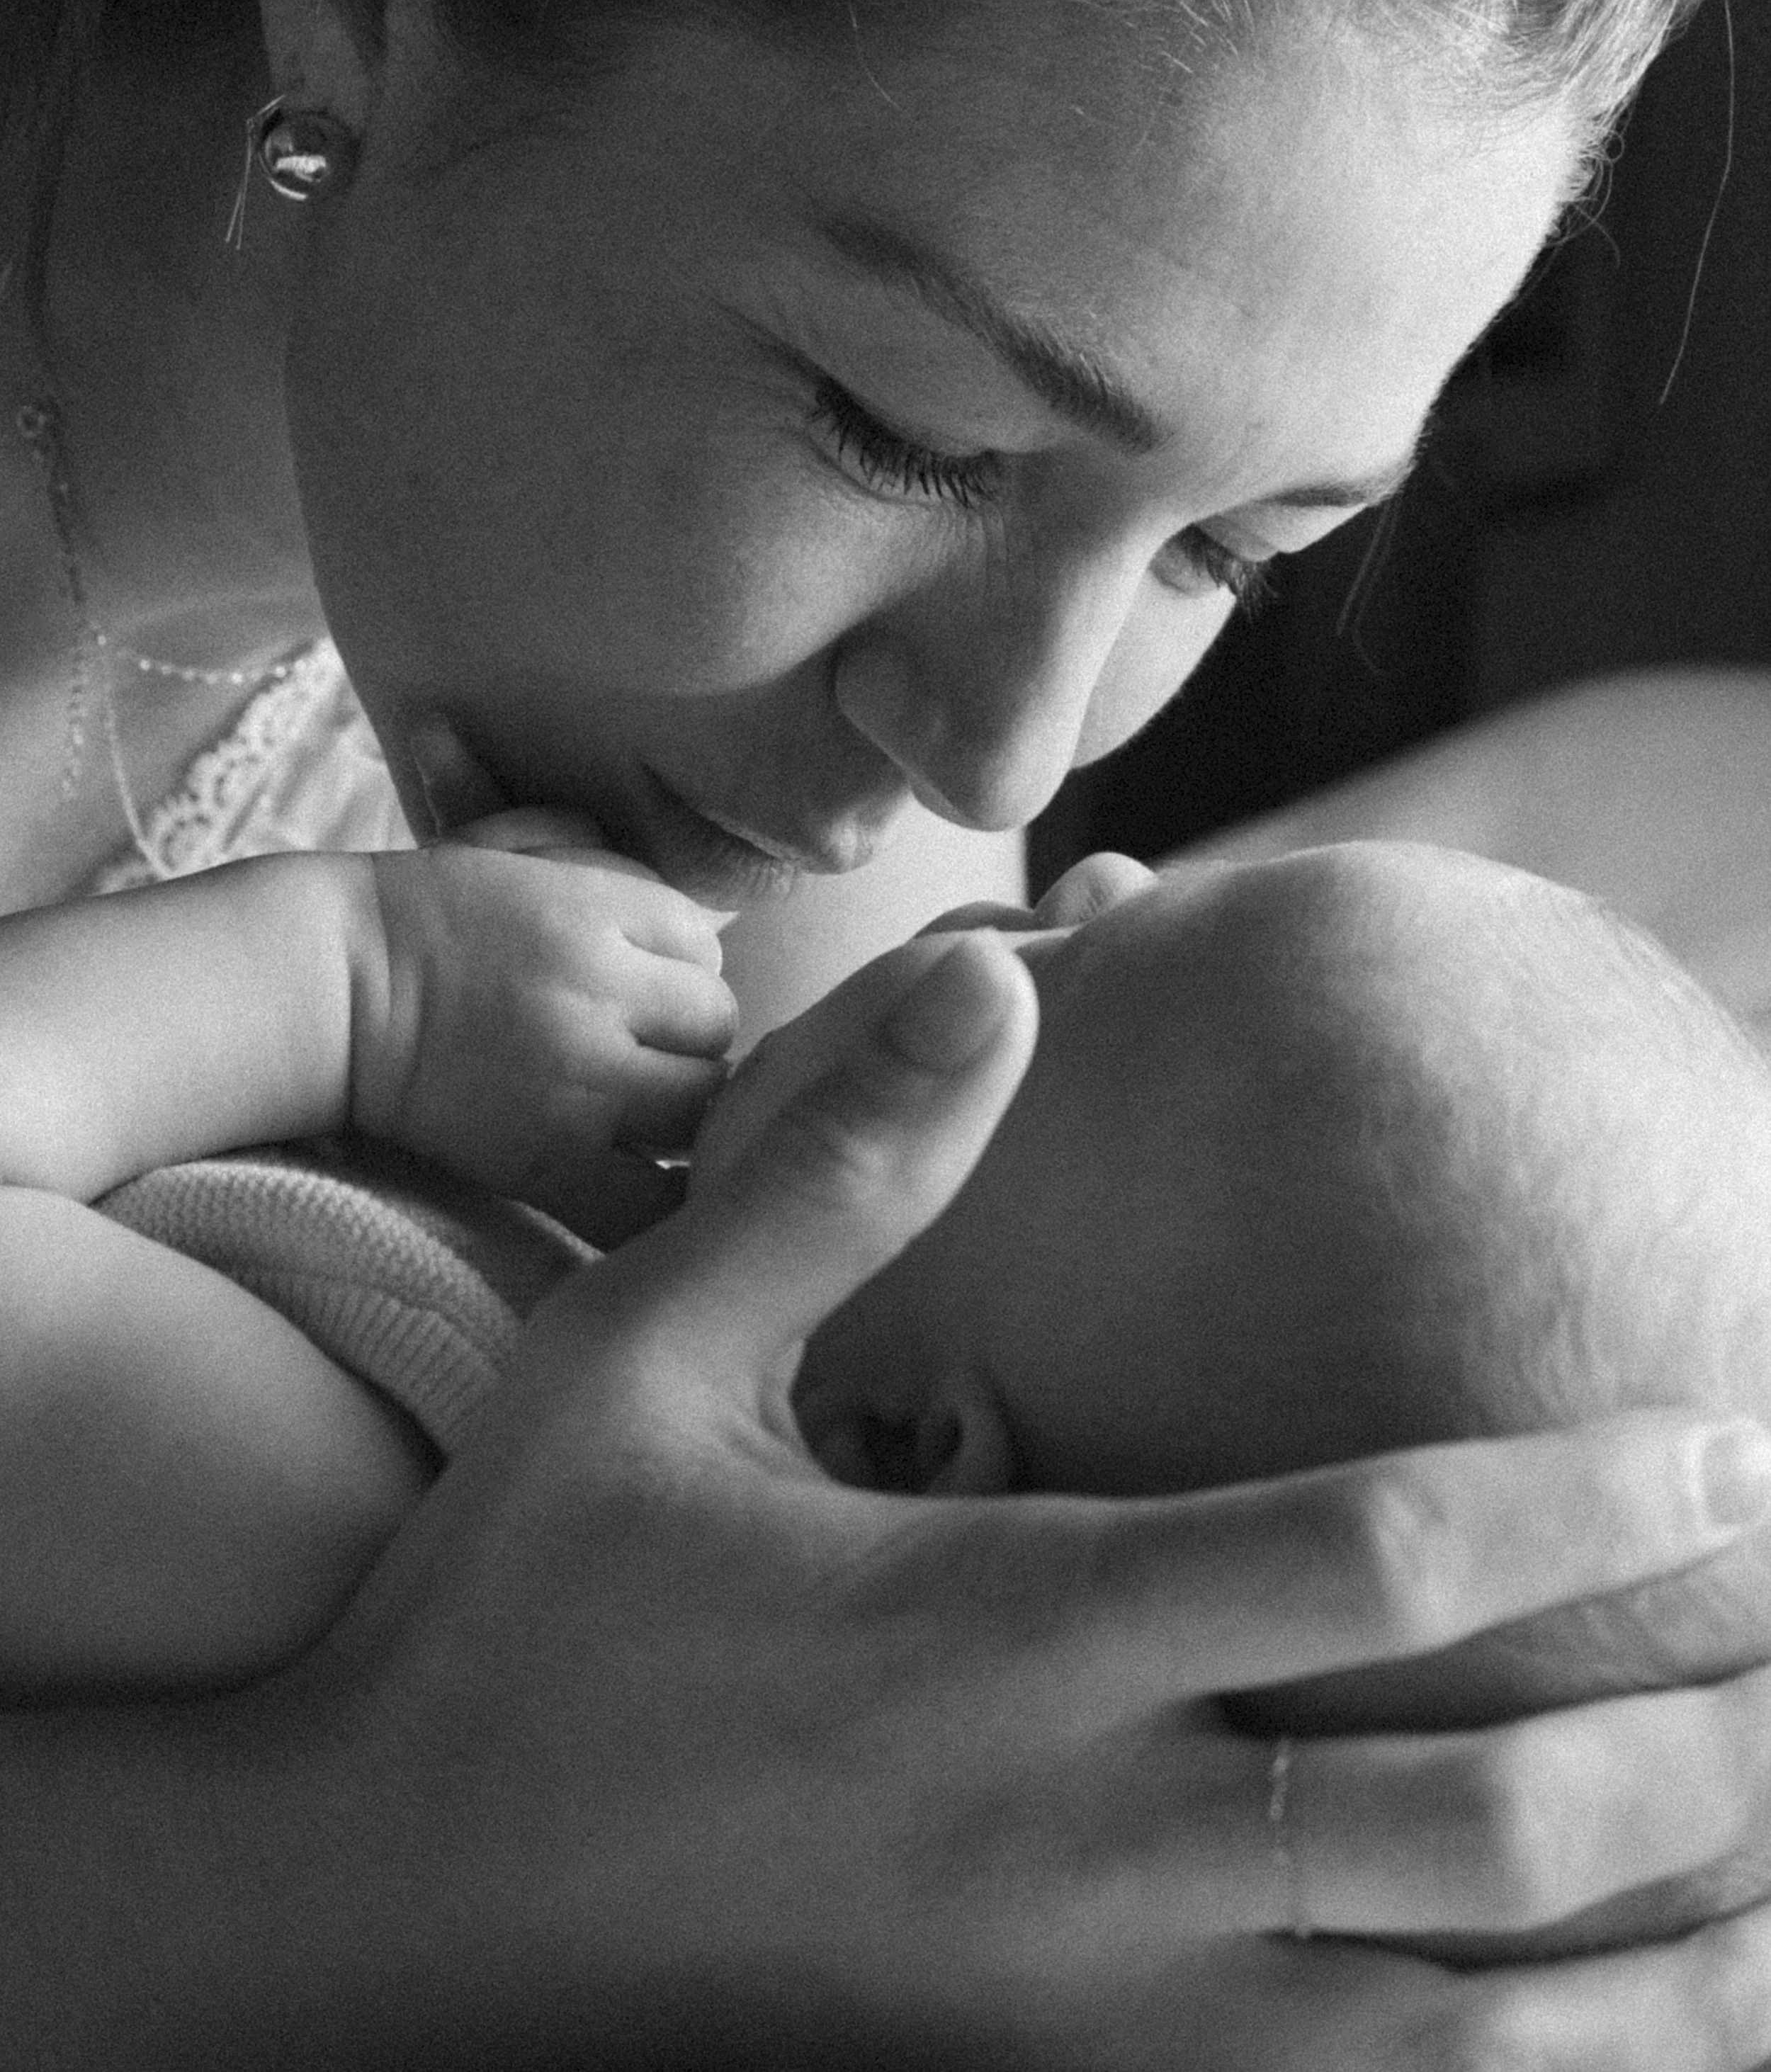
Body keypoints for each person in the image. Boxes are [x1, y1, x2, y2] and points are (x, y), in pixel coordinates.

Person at [6, 0, 1771, 2059]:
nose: (997, 775)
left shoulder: (828, 956)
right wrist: (381, 1867)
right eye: (910, 436)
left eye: (1233, 551)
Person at [13, 830, 1771, 1979]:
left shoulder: (344, 1469)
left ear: (894, 1438)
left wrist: (348, 977)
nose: (1082, 863)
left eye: (1076, 966)